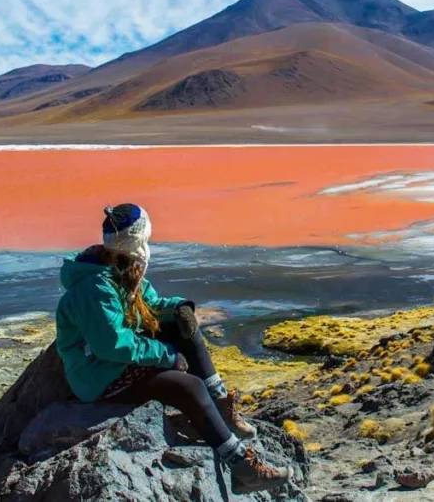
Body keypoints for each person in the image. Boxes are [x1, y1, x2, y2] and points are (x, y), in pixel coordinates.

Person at [55, 203, 290, 493]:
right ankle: (241, 466)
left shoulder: (122, 266)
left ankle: (219, 409)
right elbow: (112, 345)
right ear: (137, 239)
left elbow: (152, 304)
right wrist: (167, 357)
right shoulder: (96, 287)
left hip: (115, 359)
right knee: (188, 387)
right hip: (99, 374)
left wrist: (180, 308)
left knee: (183, 328)